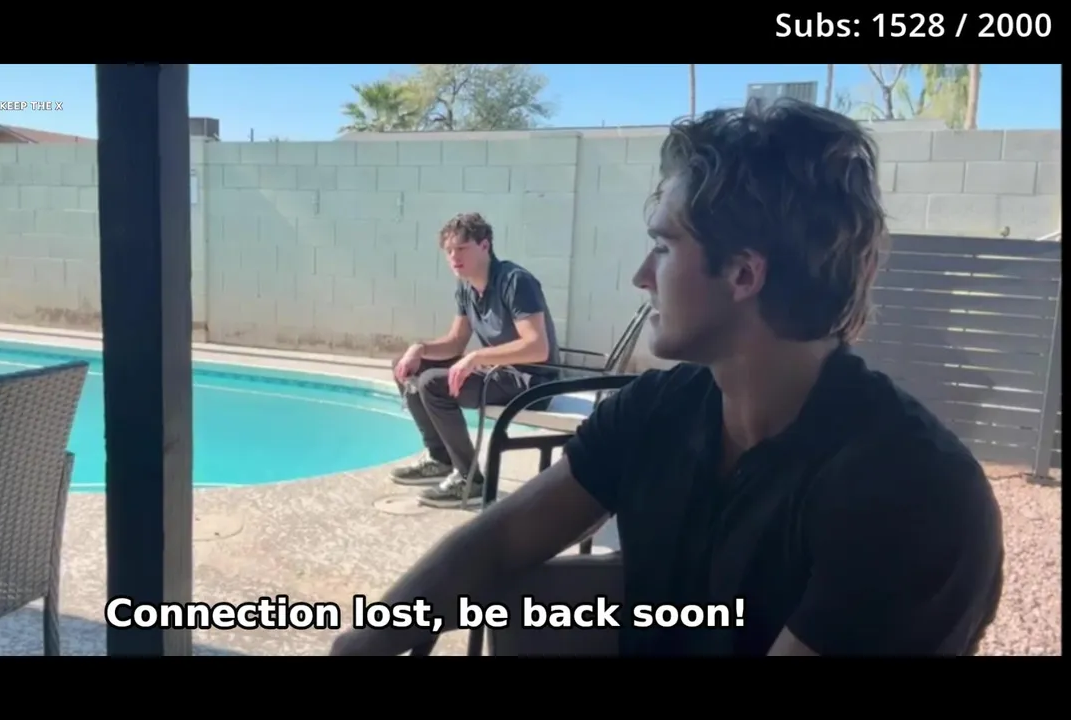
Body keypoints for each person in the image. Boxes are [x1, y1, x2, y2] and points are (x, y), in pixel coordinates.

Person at [332, 100, 1005, 656]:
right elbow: (502, 540)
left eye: (662, 246)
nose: (640, 276)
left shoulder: (912, 491)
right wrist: (369, 637)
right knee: (520, 599)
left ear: (743, 273)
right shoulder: (660, 410)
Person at [389, 212, 561, 508]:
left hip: (532, 384)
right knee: (405, 366)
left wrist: (476, 357)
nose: (454, 257)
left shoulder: (515, 281)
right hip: (500, 374)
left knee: (433, 384)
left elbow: (537, 347)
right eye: (449, 251)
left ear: (485, 246)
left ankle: (470, 480)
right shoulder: (466, 286)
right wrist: (419, 348)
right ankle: (440, 458)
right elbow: (456, 341)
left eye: (462, 248)